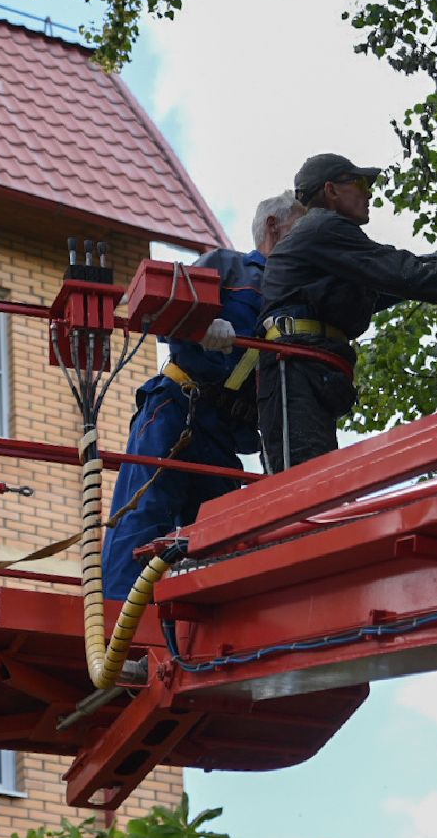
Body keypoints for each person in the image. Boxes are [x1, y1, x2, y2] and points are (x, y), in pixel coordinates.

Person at [257, 153, 437, 472]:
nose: (368, 192)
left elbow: (412, 270)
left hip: (309, 372)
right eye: (360, 183)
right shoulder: (321, 227)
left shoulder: (332, 254)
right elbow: (406, 272)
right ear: (331, 190)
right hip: (294, 373)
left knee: (316, 483)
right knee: (302, 488)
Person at [102, 191, 305, 600]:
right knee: (145, 513)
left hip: (223, 435)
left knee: (222, 534)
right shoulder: (228, 266)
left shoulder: (298, 296)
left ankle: (193, 632)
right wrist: (200, 327)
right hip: (179, 405)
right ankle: (118, 629)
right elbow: (163, 319)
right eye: (303, 226)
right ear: (273, 226)